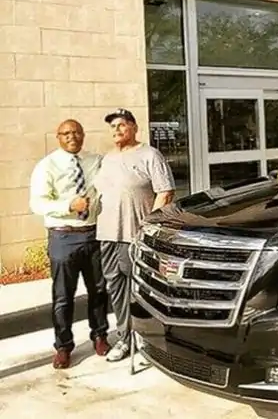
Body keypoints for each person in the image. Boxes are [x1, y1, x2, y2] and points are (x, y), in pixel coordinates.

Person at [94, 108, 176, 362]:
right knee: (116, 288)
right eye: (113, 126)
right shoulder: (107, 159)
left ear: (134, 127)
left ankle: (148, 339)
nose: (117, 130)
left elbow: (165, 192)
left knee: (140, 290)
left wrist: (147, 228)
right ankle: (125, 338)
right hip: (108, 234)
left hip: (134, 235)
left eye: (122, 125)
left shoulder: (150, 154)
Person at [29, 119, 110, 369]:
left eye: (76, 132)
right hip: (63, 237)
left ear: (83, 135)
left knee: (98, 290)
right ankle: (63, 346)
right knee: (63, 296)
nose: (72, 137)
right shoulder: (47, 166)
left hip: (93, 234)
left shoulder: (96, 161)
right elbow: (37, 203)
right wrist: (68, 206)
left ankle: (100, 335)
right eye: (66, 133)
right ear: (58, 137)